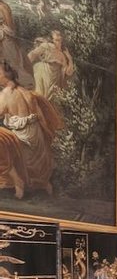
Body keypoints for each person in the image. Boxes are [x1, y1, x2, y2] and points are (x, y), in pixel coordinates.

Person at [0, 61, 61, 199]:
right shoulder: (27, 93)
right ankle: (42, 185)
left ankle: (18, 183)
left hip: (23, 144)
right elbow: (41, 120)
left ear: (5, 76)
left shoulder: (5, 95)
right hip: (37, 142)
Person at [0, 0, 33, 87]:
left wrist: (2, 29)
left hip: (5, 38)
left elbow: (10, 27)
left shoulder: (4, 7)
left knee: (13, 61)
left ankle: (25, 84)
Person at [27, 31, 73, 98]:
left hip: (54, 82)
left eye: (60, 40)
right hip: (43, 76)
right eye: (56, 40)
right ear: (52, 40)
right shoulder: (47, 46)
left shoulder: (62, 55)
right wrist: (25, 64)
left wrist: (70, 58)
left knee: (50, 100)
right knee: (39, 96)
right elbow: (32, 55)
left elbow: (69, 72)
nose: (58, 42)